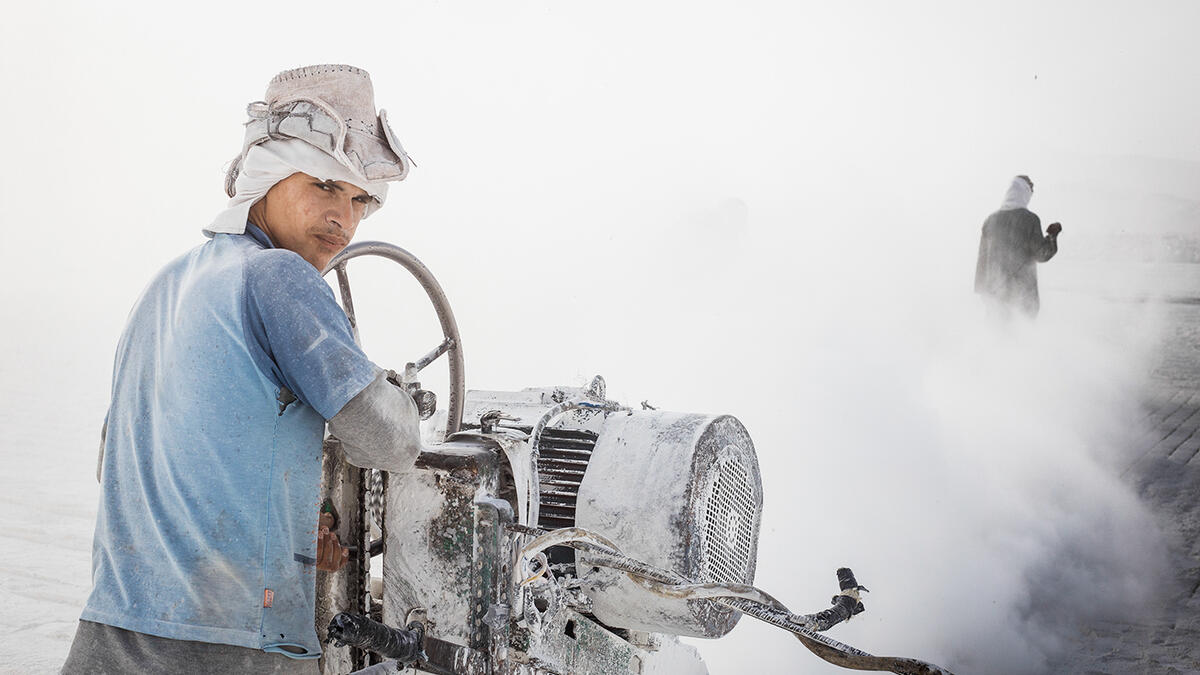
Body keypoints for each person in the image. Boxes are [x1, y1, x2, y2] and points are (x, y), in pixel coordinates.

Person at [62, 64, 424, 674]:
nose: (344, 219)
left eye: (361, 199)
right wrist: (391, 391)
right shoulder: (280, 276)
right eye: (325, 187)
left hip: (111, 632)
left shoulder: (164, 286)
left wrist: (291, 523)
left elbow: (127, 461)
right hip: (230, 647)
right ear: (269, 177)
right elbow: (389, 441)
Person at [974, 175, 1063, 318]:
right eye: (1030, 192)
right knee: (1020, 331)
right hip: (1022, 296)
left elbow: (982, 259)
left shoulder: (990, 220)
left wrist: (982, 290)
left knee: (996, 330)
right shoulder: (1030, 219)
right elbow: (1042, 254)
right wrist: (1052, 235)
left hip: (994, 296)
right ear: (1024, 193)